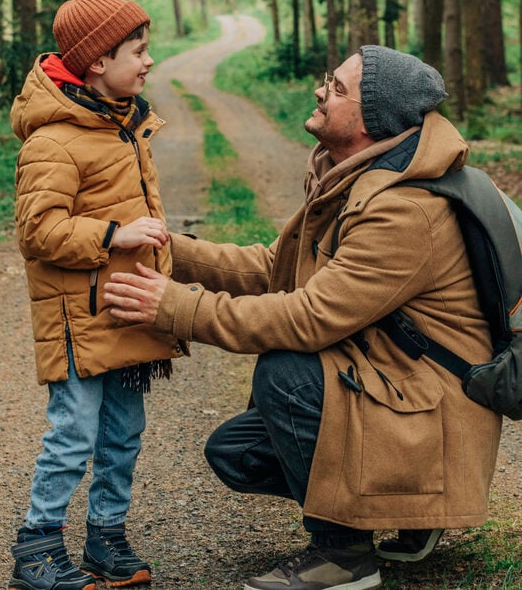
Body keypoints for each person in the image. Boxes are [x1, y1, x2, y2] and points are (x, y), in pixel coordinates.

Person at [102, 46, 503, 590]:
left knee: (288, 372)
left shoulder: (404, 209)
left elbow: (309, 317)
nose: (320, 91)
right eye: (327, 81)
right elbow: (278, 268)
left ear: (373, 121)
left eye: (338, 89)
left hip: (434, 408)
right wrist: (173, 250)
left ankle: (345, 557)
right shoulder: (359, 175)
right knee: (238, 452)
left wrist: (175, 308)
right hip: (404, 388)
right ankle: (405, 512)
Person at [7, 0, 187, 590]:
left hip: (126, 308)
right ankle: (36, 546)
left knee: (123, 433)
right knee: (72, 436)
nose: (149, 61)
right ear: (96, 63)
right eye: (137, 51)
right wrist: (116, 233)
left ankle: (106, 535)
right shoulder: (52, 140)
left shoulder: (123, 124)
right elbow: (39, 231)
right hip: (80, 321)